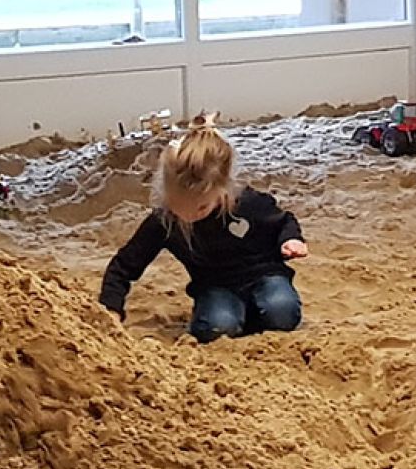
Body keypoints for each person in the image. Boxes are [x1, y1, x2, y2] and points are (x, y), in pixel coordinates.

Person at [99, 113, 308, 343]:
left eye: (200, 208)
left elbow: (284, 222)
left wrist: (291, 240)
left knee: (282, 312)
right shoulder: (166, 220)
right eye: (179, 207)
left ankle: (251, 314)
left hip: (265, 275)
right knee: (217, 328)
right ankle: (238, 315)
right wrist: (111, 309)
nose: (189, 215)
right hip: (215, 285)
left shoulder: (248, 204)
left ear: (222, 190)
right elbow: (124, 265)